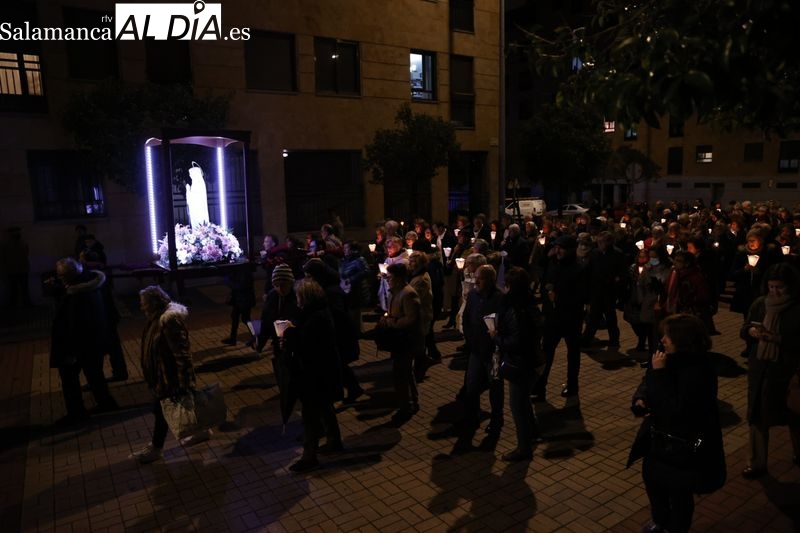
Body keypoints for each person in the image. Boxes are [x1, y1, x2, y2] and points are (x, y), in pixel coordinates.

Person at [628, 314, 726, 533]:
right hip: (659, 440)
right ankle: (660, 520)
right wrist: (640, 399)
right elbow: (647, 382)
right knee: (653, 482)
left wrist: (659, 374)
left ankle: (675, 529)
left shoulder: (699, 369)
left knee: (679, 493)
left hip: (687, 444)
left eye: (668, 336)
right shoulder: (664, 359)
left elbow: (677, 410)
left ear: (683, 340)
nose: (662, 340)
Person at [132, 285, 205, 464]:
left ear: (154, 304)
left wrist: (184, 382)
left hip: (169, 378)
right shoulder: (154, 319)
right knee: (175, 407)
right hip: (161, 376)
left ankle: (156, 449)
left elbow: (182, 354)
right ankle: (203, 431)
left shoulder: (169, 321)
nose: (141, 307)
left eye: (144, 304)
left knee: (160, 412)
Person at [740, 263, 800, 479]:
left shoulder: (796, 309)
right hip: (761, 370)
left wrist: (779, 339)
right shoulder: (760, 304)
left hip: (788, 370)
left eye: (780, 287)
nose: (774, 291)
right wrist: (752, 331)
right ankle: (756, 462)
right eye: (771, 286)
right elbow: (745, 329)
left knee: (794, 415)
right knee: (757, 416)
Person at [281, 278, 343, 473]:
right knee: (325, 407)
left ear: (305, 297)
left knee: (310, 415)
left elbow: (308, 347)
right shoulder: (317, 312)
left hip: (315, 374)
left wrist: (289, 336)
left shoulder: (316, 317)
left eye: (298, 296)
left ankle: (310, 457)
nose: (296, 299)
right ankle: (334, 440)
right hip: (323, 371)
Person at [49, 258, 118, 425]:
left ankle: (77, 412)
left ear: (68, 276)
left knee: (70, 378)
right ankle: (106, 403)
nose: (61, 278)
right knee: (95, 374)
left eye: (62, 276)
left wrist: (70, 351)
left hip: (79, 345)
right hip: (95, 340)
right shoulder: (93, 283)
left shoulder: (77, 295)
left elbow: (73, 325)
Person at [492, 266, 545, 461]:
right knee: (523, 401)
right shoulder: (528, 303)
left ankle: (524, 448)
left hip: (522, 363)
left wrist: (496, 338)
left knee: (517, 406)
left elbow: (516, 341)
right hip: (534, 360)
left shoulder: (516, 310)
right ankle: (533, 432)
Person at [452, 264, 503, 453]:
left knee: (495, 387)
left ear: (490, 280)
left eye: (480, 278)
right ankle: (471, 418)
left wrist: (496, 339)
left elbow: (503, 323)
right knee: (471, 386)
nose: (476, 281)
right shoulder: (473, 295)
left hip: (493, 352)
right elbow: (466, 318)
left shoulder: (499, 299)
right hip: (476, 350)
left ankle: (497, 421)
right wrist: (470, 339)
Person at [303, 258, 363, 404]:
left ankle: (350, 389)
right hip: (336, 332)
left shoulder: (330, 290)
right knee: (340, 364)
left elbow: (338, 313)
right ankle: (353, 388)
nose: (307, 279)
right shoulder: (326, 286)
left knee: (339, 364)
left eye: (309, 276)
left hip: (339, 333)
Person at [535, 235, 588, 400]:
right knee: (546, 353)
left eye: (561, 248)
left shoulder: (579, 268)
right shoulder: (553, 263)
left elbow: (581, 295)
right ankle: (539, 387)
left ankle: (572, 386)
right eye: (556, 247)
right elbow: (542, 271)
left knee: (573, 354)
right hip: (552, 318)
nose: (557, 250)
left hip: (571, 318)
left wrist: (557, 297)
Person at [379, 262, 423, 422]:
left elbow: (411, 319)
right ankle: (411, 402)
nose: (387, 279)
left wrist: (392, 322)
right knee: (404, 372)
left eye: (390, 277)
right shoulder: (396, 292)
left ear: (398, 278)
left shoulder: (408, 294)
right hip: (399, 339)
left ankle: (408, 405)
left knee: (402, 373)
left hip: (406, 340)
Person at [407, 251, 436, 381]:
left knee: (419, 344)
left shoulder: (422, 279)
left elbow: (415, 297)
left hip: (422, 315)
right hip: (419, 314)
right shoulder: (415, 275)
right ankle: (422, 363)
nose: (410, 264)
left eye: (413, 262)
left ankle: (421, 368)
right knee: (419, 343)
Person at [221, 262, 256, 346]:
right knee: (235, 317)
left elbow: (240, 286)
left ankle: (256, 336)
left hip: (244, 299)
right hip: (240, 299)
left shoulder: (244, 271)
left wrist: (228, 282)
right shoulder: (241, 269)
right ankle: (233, 339)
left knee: (245, 318)